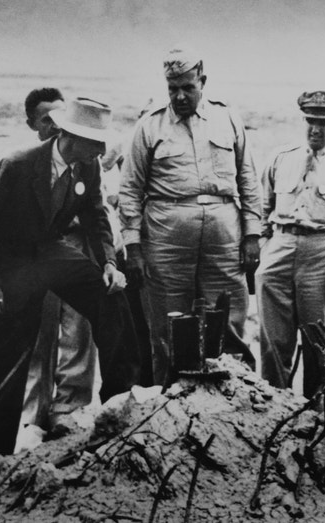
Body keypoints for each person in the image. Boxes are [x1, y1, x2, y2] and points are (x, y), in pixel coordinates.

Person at [0, 97, 140, 456]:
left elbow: (96, 216)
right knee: (5, 349)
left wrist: (109, 263)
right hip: (10, 262)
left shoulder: (88, 166)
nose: (101, 149)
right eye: (95, 141)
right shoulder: (16, 164)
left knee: (109, 295)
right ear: (72, 136)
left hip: (50, 251)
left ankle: (117, 402)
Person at [119, 44, 261, 385]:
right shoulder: (149, 126)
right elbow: (130, 190)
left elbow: (248, 178)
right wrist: (133, 247)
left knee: (227, 315)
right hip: (166, 237)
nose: (180, 96)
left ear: (203, 81)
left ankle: (232, 396)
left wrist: (253, 234)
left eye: (188, 87)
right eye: (173, 89)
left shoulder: (228, 118)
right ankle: (170, 401)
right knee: (170, 322)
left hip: (224, 234)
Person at [257, 91, 325, 399]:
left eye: (323, 123)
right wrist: (263, 251)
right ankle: (275, 408)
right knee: (273, 340)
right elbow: (262, 210)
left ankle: (316, 413)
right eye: (311, 121)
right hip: (280, 245)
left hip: (322, 252)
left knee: (318, 341)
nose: (315, 129)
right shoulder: (280, 158)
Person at [19, 88, 99, 438]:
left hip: (77, 247)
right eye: (46, 121)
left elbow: (98, 213)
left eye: (60, 119)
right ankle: (31, 417)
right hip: (38, 254)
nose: (55, 127)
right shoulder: (24, 163)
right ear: (33, 125)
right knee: (39, 334)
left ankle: (71, 411)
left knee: (79, 333)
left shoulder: (84, 162)